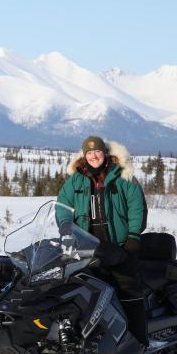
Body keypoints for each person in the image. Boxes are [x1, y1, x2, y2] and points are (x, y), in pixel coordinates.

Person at [55, 135, 148, 342]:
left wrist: (133, 237)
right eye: (89, 153)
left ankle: (138, 341)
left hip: (120, 245)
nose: (94, 156)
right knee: (86, 292)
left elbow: (137, 208)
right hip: (87, 247)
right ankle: (91, 340)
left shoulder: (123, 176)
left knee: (127, 289)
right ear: (84, 156)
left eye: (97, 152)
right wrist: (65, 228)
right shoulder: (76, 179)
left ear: (105, 153)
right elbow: (62, 206)